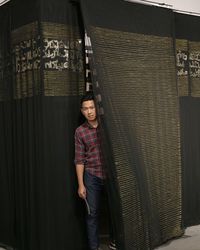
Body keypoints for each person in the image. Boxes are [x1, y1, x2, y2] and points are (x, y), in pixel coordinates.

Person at [74, 91, 116, 250]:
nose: (89, 111)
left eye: (92, 107)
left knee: (115, 211)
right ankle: (94, 247)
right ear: (82, 110)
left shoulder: (108, 126)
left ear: (97, 108)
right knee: (92, 213)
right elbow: (79, 159)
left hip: (111, 175)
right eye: (85, 108)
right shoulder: (80, 131)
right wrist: (81, 185)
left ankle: (115, 241)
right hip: (92, 175)